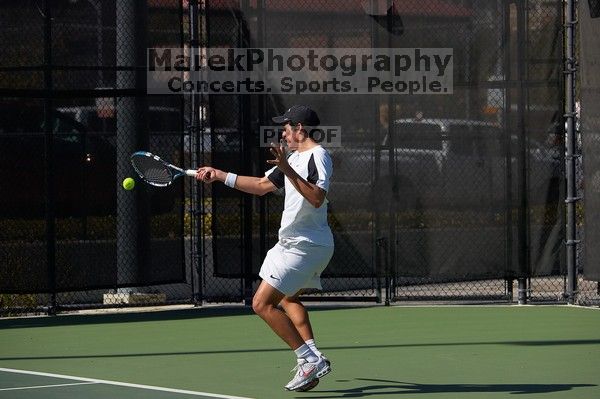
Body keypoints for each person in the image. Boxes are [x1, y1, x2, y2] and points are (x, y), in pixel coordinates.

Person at [195, 105, 334, 392]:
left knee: (261, 304)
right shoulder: (294, 158)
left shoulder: (317, 156)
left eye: (286, 126)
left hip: (304, 245)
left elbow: (317, 198)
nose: (283, 132)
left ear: (300, 129)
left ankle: (308, 359)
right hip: (294, 244)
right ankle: (314, 354)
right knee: (288, 299)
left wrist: (287, 171)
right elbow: (260, 185)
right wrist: (220, 174)